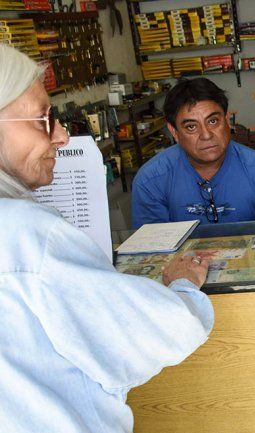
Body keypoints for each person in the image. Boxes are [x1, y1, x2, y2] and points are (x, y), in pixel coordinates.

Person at [0, 44, 215, 433]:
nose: (62, 136)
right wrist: (182, 287)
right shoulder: (28, 234)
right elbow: (153, 330)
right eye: (43, 119)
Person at [131, 78, 255, 228]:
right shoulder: (150, 180)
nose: (206, 135)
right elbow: (153, 251)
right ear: (174, 131)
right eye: (191, 127)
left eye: (213, 121)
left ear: (227, 120)